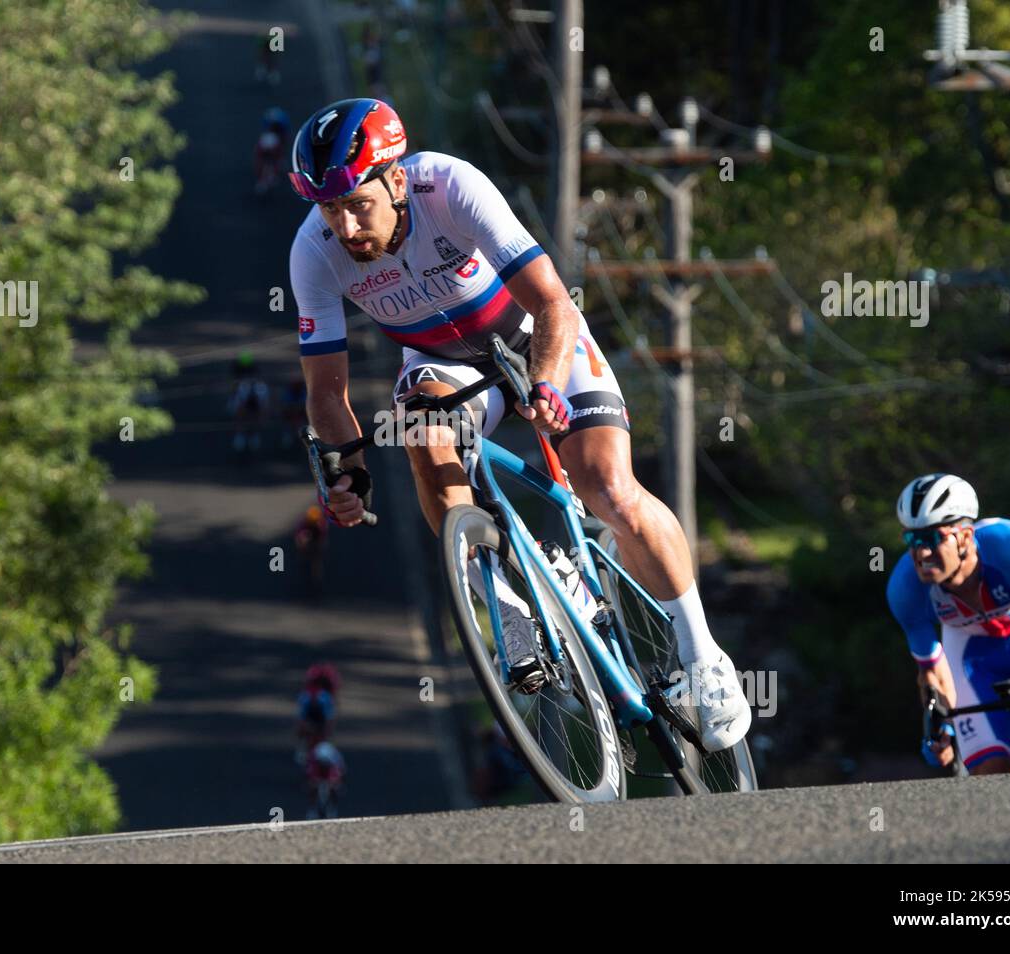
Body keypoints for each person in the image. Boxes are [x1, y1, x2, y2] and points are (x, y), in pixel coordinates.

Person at [285, 97, 750, 751]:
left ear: (395, 178)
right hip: (441, 362)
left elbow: (552, 300)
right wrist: (347, 473)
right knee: (419, 428)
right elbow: (327, 394)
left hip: (536, 339)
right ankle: (503, 601)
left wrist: (545, 384)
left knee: (608, 487)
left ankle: (703, 656)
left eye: (356, 203)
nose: (346, 225)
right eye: (330, 209)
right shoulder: (314, 251)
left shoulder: (449, 186)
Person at [886, 473, 1010, 774]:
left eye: (932, 539)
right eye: (913, 539)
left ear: (964, 535)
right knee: (989, 774)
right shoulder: (904, 588)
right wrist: (941, 727)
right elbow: (931, 672)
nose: (921, 553)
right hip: (972, 657)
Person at [228, 350, 269, 455]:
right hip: (243, 398)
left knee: (256, 416)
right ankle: (240, 435)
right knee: (239, 413)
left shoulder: (260, 388)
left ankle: (253, 434)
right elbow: (239, 403)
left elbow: (263, 406)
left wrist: (262, 417)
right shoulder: (243, 386)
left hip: (254, 401)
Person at [254, 108, 290, 195]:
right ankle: (265, 180)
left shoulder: (270, 137)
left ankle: (265, 180)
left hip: (271, 150)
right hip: (269, 150)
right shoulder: (269, 139)